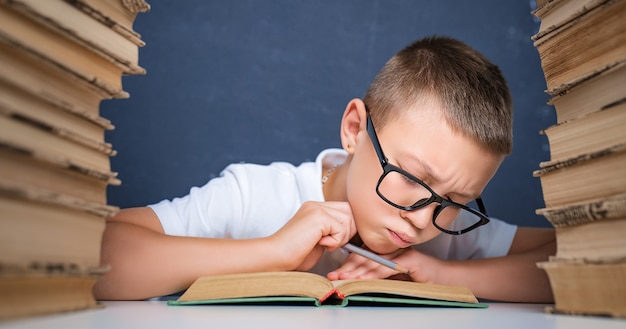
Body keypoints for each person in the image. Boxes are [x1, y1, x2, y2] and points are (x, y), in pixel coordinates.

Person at [94, 36, 555, 302]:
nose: (421, 219)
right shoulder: (255, 194)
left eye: (455, 202)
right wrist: (272, 252)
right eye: (413, 179)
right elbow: (99, 254)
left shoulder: (444, 232)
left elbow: (585, 258)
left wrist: (446, 275)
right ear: (355, 128)